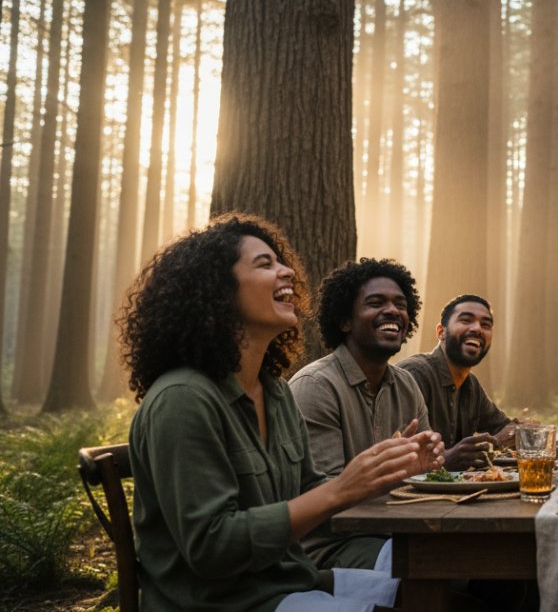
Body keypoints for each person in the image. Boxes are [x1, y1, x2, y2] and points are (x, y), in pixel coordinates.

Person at [123, 214, 444, 612]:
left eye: (282, 261)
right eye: (265, 264)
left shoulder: (273, 391)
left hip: (287, 582)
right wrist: (343, 488)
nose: (287, 271)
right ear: (218, 291)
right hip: (224, 602)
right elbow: (210, 547)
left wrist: (382, 472)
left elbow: (310, 497)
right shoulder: (182, 399)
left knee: (436, 589)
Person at [290, 258, 439, 570]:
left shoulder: (406, 384)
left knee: (500, 575)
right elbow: (323, 497)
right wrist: (395, 475)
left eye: (401, 304)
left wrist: (430, 467)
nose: (393, 311)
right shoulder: (316, 387)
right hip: (329, 548)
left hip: (397, 533)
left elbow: (426, 475)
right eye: (376, 303)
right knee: (451, 572)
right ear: (345, 321)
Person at [400, 294, 518, 470]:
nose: (477, 329)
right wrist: (448, 458)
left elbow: (505, 427)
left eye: (485, 325)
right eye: (466, 320)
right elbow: (403, 454)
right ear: (441, 332)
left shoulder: (470, 385)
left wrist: (515, 433)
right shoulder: (415, 374)